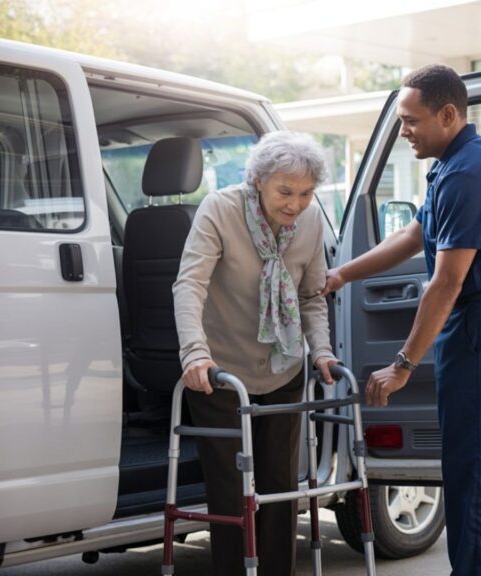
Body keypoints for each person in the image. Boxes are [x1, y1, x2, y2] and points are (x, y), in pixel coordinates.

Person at [323, 64, 481, 576]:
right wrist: (341, 275)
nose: (404, 132)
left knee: (473, 470)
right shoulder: (456, 162)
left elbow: (446, 281)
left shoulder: (468, 171)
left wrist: (402, 365)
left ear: (448, 114)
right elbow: (412, 236)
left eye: (411, 121)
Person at [173, 131, 339, 576]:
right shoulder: (221, 210)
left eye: (306, 193)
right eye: (286, 191)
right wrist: (194, 354)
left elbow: (311, 296)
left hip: (283, 367)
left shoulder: (311, 221)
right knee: (231, 494)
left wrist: (321, 351)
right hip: (221, 371)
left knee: (281, 491)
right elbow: (190, 284)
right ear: (259, 181)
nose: (296, 204)